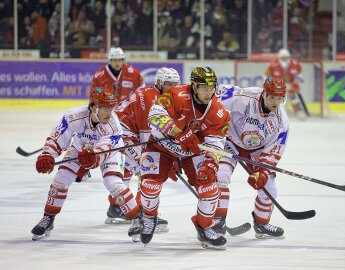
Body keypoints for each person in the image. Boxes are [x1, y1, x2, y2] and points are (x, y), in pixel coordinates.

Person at [128, 66, 230, 249]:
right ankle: (150, 217)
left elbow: (216, 142)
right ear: (194, 86)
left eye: (212, 87)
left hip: (191, 151)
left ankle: (204, 227)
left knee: (210, 187)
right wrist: (179, 133)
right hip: (161, 145)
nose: (209, 92)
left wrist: (211, 162)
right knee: (149, 185)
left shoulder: (219, 112)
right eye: (204, 87)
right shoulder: (175, 94)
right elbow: (155, 116)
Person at [31, 86, 141, 241]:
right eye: (106, 109)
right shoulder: (73, 116)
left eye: (112, 109)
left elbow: (108, 147)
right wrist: (47, 154)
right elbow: (58, 136)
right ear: (94, 107)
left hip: (109, 153)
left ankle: (137, 219)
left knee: (113, 183)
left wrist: (94, 158)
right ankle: (48, 218)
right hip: (80, 147)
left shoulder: (113, 124)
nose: (110, 113)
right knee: (61, 178)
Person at [105, 68, 181, 235]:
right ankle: (144, 212)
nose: (173, 88)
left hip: (137, 136)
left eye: (176, 85)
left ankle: (115, 207)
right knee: (147, 169)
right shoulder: (147, 96)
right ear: (159, 83)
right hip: (123, 134)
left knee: (129, 168)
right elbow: (147, 133)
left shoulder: (175, 99)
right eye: (169, 84)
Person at [213, 76, 288, 239]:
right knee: (220, 176)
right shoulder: (245, 98)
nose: (276, 102)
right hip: (230, 141)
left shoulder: (282, 122)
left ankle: (261, 224)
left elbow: (274, 150)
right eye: (273, 97)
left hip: (257, 152)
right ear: (265, 94)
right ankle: (217, 222)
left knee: (269, 187)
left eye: (280, 98)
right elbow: (214, 97)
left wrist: (262, 171)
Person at [265, 48, 309, 118]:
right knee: (278, 100)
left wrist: (298, 80)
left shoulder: (295, 64)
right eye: (283, 57)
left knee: (294, 98)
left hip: (290, 84)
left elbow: (299, 75)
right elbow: (267, 76)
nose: (284, 58)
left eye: (286, 57)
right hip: (278, 86)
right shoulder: (273, 65)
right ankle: (278, 115)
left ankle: (299, 112)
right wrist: (269, 84)